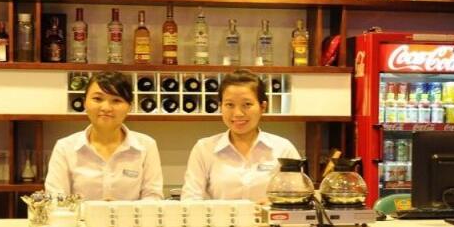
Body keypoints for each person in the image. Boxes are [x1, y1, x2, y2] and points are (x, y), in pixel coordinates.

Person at [181, 70, 300, 201]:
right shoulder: (204, 148)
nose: (238, 113)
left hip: (269, 215)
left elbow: (298, 199)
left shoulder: (283, 149)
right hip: (220, 216)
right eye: (229, 105)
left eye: (247, 104)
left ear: (263, 107)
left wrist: (274, 204)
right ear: (220, 106)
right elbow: (190, 200)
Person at [45, 71, 163, 200]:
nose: (106, 108)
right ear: (84, 103)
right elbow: (56, 199)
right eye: (97, 99)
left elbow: (153, 197)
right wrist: (96, 209)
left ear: (130, 107)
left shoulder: (146, 146)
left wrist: (120, 209)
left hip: (130, 215)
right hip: (79, 215)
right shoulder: (65, 147)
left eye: (116, 100)